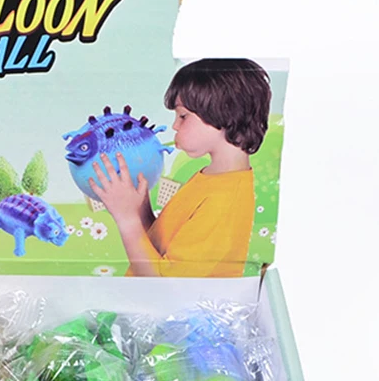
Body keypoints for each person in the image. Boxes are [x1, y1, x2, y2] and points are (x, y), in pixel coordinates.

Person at [89, 58, 271, 277]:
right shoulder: (212, 178)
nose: (175, 125)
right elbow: (164, 250)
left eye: (183, 116)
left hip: (166, 300)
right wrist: (140, 211)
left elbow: (166, 285)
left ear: (225, 113)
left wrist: (127, 219)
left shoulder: (225, 199)